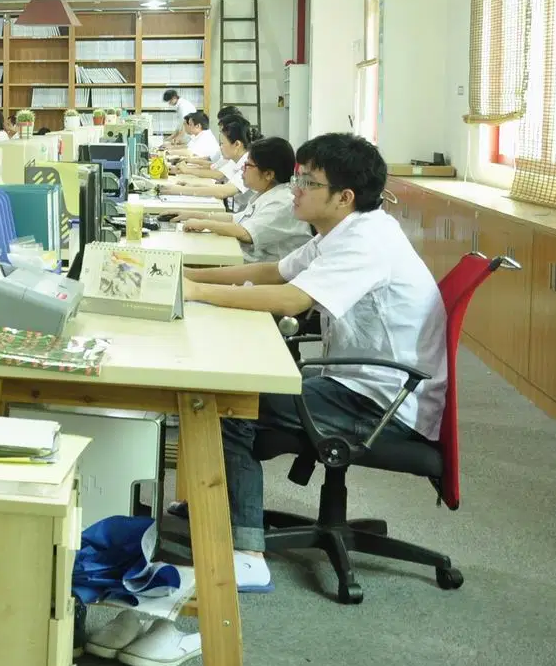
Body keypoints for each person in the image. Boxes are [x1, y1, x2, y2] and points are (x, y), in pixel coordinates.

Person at [181, 132, 446, 592]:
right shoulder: (342, 230)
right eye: (298, 175)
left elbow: (290, 299)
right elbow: (273, 271)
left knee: (226, 401)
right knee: (233, 384)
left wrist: (197, 294)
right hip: (360, 382)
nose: (296, 187)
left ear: (344, 197)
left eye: (308, 180)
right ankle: (215, 504)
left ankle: (245, 552)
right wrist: (187, 276)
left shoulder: (366, 242)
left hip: (379, 402)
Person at [180, 136, 313, 262]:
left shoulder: (283, 201)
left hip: (267, 276)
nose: (243, 170)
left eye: (248, 166)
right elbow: (235, 219)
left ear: (268, 174)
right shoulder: (265, 194)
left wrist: (204, 224)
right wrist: (194, 215)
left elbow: (245, 233)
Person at [160, 115, 258, 199]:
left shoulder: (249, 164)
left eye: (223, 143)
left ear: (237, 144)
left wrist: (181, 190)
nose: (220, 147)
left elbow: (223, 191)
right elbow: (220, 183)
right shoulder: (236, 160)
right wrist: (193, 186)